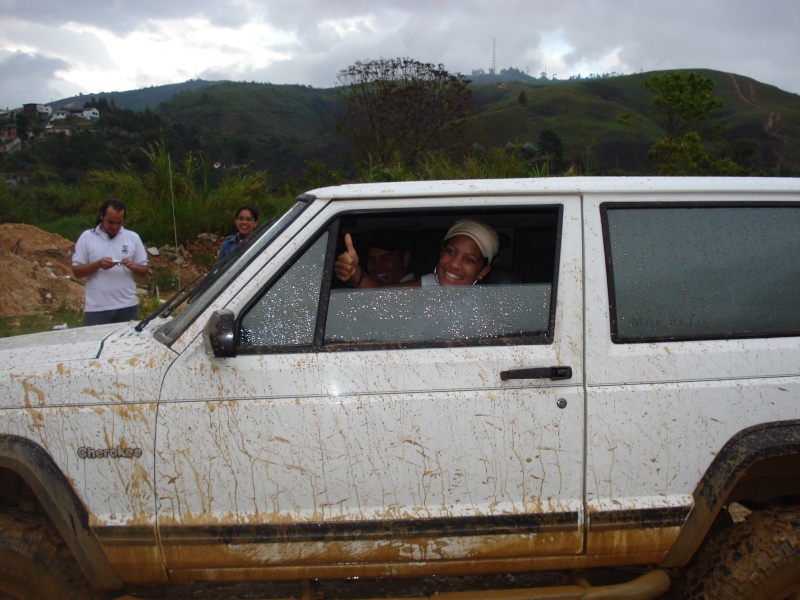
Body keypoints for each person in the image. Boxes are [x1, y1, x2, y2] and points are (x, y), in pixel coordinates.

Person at [336, 218, 499, 288]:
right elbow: (379, 291)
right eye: (450, 251)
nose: (455, 264)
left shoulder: (482, 308)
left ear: (483, 271)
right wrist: (354, 271)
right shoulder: (431, 283)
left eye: (469, 260)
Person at [71, 199, 148, 326]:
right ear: (102, 216)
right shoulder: (87, 237)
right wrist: (99, 264)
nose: (114, 227)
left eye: (119, 223)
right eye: (110, 222)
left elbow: (144, 270)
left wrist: (132, 266)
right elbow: (77, 272)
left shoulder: (132, 238)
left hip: (127, 307)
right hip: (97, 309)